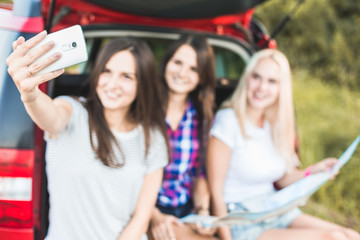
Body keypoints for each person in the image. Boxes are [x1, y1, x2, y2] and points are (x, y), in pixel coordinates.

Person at [6, 32, 169, 240]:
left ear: (142, 84)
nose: (112, 84)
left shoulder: (153, 138)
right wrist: (31, 95)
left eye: (126, 76)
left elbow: (140, 218)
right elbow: (51, 116)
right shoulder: (72, 112)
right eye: (106, 71)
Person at [207, 49, 360, 240]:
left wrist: (313, 171)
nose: (262, 87)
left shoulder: (274, 125)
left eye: (272, 81)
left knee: (351, 235)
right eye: (256, 77)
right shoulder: (228, 121)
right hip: (242, 219)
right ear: (247, 78)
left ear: (281, 88)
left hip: (275, 208)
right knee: (334, 238)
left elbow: (281, 179)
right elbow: (215, 192)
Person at [148, 35, 217, 240]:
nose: (182, 73)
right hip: (146, 208)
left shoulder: (202, 118)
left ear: (202, 77)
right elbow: (127, 176)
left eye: (193, 69)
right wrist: (155, 216)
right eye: (177, 62)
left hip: (185, 210)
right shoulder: (143, 110)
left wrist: (202, 212)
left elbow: (199, 174)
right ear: (166, 63)